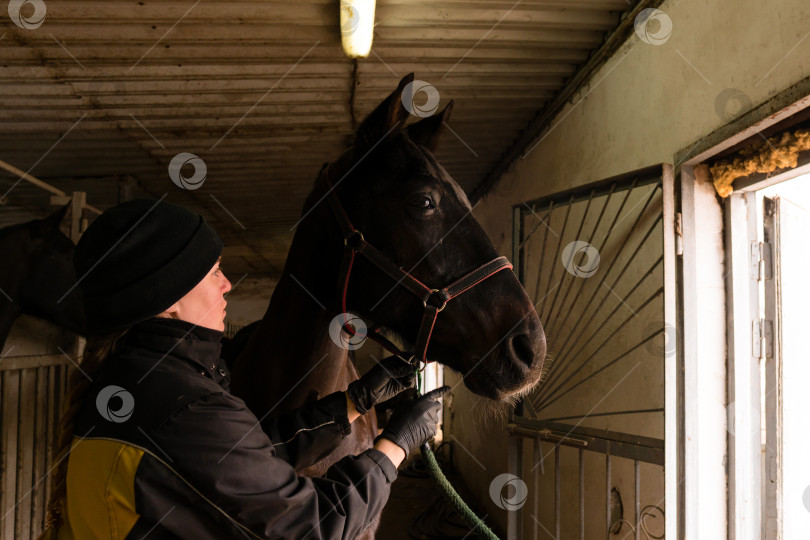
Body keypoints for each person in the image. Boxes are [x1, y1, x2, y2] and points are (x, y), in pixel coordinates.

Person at [40, 198, 448, 539]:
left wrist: (354, 403)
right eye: (213, 271)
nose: (227, 284)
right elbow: (314, 526)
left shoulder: (134, 381)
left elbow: (245, 461)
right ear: (167, 299)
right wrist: (396, 443)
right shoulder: (184, 407)